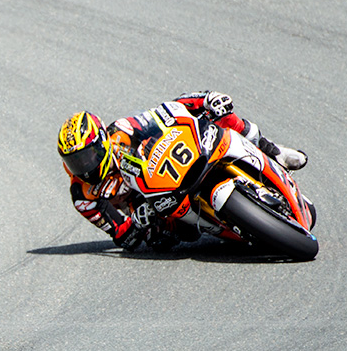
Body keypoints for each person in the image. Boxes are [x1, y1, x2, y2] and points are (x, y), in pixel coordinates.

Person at [57, 91, 308, 250]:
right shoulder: (82, 196)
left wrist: (205, 99)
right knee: (162, 241)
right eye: (75, 162)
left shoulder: (121, 131)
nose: (84, 167)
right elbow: (122, 236)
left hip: (168, 166)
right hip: (149, 204)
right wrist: (136, 222)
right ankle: (226, 224)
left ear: (102, 141)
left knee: (220, 117)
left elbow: (163, 112)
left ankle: (274, 152)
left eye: (87, 157)